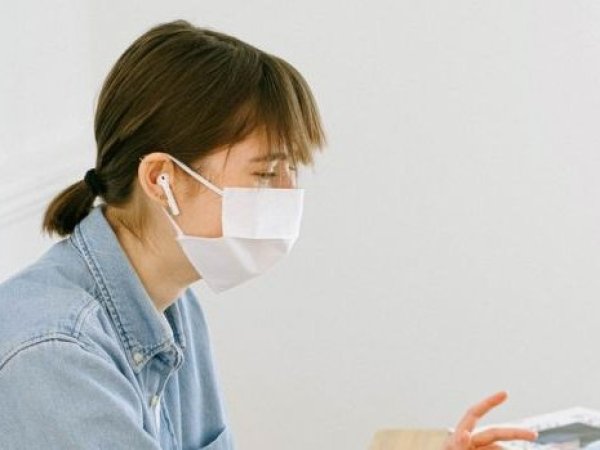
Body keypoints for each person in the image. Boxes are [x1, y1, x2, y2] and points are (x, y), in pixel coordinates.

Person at [0, 19, 537, 450]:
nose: (286, 195)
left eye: (292, 171)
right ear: (161, 179)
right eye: (264, 174)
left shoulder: (172, 305)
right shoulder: (55, 356)